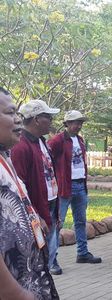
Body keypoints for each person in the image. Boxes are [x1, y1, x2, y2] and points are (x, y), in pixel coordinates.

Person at [0, 88, 59, 299]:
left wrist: (33, 215)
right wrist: (15, 293)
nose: (18, 120)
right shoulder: (21, 148)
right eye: (10, 113)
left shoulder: (6, 155)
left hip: (30, 277)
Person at [10, 99, 62, 275]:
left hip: (51, 204)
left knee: (48, 252)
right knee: (36, 260)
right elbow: (18, 187)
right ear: (36, 119)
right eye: (48, 117)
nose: (52, 121)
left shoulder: (42, 141)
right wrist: (35, 214)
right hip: (36, 211)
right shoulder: (20, 146)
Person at [48, 110, 102, 266]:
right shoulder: (57, 141)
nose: (79, 125)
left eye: (81, 123)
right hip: (64, 187)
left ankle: (83, 254)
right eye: (76, 122)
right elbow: (47, 160)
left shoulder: (80, 140)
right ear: (67, 124)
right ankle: (52, 260)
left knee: (80, 221)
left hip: (80, 185)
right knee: (58, 223)